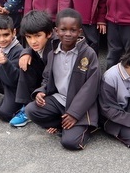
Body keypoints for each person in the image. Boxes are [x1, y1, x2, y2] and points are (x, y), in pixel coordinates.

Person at [25, 9, 101, 150]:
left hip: (81, 106)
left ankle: (86, 127)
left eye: (73, 30)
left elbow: (91, 88)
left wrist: (74, 113)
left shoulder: (88, 54)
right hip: (60, 100)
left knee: (70, 143)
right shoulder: (53, 52)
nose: (67, 34)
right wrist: (41, 91)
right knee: (31, 110)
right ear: (56, 31)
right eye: (63, 29)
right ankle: (62, 123)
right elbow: (47, 77)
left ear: (80, 32)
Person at [10, 10, 55, 128]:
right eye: (29, 37)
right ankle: (25, 105)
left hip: (58, 83)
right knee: (26, 62)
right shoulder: (34, 43)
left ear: (49, 33)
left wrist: (41, 90)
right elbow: (28, 46)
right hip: (44, 76)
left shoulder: (56, 46)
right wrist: (26, 52)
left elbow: (49, 74)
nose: (33, 41)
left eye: (38, 36)